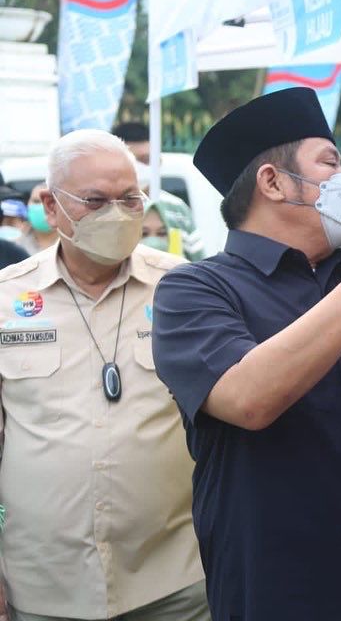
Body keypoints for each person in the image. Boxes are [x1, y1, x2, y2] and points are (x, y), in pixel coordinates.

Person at [150, 88, 341, 621]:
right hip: (286, 591)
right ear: (273, 182)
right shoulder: (194, 291)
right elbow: (248, 398)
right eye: (330, 163)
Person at [0, 129, 209, 621]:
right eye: (95, 201)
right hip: (46, 586)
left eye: (129, 199)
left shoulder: (183, 288)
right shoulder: (7, 299)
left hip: (176, 579)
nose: (116, 214)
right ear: (51, 207)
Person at [112, 121, 206, 260]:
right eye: (133, 160)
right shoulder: (108, 209)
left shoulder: (178, 209)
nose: (141, 166)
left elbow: (198, 261)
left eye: (147, 159)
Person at [19, 184, 58, 255]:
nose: (42, 207)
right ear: (28, 204)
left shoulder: (73, 247)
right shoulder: (15, 244)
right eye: (36, 201)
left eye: (50, 202)